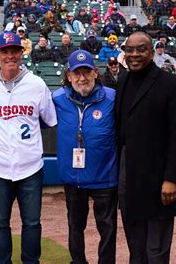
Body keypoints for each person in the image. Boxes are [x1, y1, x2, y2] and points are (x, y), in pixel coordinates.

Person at [0, 31, 57, 264]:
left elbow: (49, 120)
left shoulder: (37, 84)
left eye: (14, 51)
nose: (10, 56)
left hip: (30, 167)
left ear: (22, 53)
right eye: (5, 51)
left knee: (32, 222)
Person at [115, 32, 176, 263]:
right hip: (130, 176)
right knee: (136, 249)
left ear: (152, 52)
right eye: (129, 49)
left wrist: (172, 179)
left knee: (156, 251)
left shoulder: (172, 84)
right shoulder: (123, 80)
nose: (134, 54)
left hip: (159, 178)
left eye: (141, 49)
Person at [52, 49, 118, 264]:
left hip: (105, 177)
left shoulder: (111, 97)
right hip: (73, 177)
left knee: (107, 228)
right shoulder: (57, 98)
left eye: (86, 72)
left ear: (95, 73)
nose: (82, 78)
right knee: (75, 226)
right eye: (76, 73)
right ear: (69, 75)